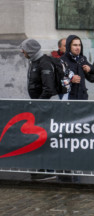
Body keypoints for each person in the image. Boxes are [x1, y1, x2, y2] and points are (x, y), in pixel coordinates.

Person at [20, 38, 57, 181]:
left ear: (30, 50)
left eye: (24, 49)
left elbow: (48, 89)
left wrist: (38, 104)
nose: (22, 52)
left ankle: (49, 169)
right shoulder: (34, 62)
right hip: (38, 107)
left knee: (45, 138)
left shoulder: (44, 62)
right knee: (39, 138)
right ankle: (42, 167)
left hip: (43, 107)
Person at [60, 35, 94, 100]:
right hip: (69, 99)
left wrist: (89, 69)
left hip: (82, 97)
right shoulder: (62, 60)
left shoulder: (82, 59)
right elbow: (58, 82)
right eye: (75, 45)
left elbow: (93, 70)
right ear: (69, 46)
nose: (78, 47)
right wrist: (70, 80)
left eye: (79, 45)